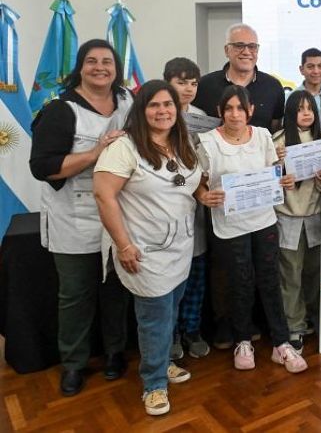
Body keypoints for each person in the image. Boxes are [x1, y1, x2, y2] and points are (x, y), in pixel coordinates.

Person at [29, 39, 132, 397]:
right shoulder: (60, 110)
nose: (100, 67)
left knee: (117, 290)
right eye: (92, 61)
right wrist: (94, 152)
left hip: (118, 213)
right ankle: (73, 363)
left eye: (107, 61)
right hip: (74, 218)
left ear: (117, 67)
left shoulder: (127, 103)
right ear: (80, 67)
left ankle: (116, 352)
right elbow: (43, 168)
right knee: (76, 294)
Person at [94, 80, 201, 416]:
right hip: (144, 250)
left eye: (168, 105)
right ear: (141, 110)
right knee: (154, 317)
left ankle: (163, 362)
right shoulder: (124, 146)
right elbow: (103, 194)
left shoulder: (181, 143)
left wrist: (204, 194)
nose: (162, 111)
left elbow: (186, 184)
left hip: (181, 246)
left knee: (170, 310)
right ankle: (153, 384)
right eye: (154, 105)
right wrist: (123, 245)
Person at [195, 86, 308, 373]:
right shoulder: (207, 142)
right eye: (229, 108)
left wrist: (284, 181)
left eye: (240, 108)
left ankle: (281, 344)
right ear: (220, 111)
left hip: (263, 219)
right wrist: (202, 195)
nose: (235, 114)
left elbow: (274, 171)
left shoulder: (262, 136)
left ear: (250, 111)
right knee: (240, 282)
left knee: (270, 280)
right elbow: (192, 180)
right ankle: (242, 340)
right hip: (229, 224)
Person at [273, 91, 321, 353]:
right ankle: (294, 326)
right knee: (290, 275)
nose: (306, 113)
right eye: (300, 109)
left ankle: (315, 320)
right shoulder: (278, 142)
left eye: (310, 109)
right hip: (288, 217)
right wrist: (279, 173)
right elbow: (267, 183)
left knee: (314, 273)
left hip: (315, 216)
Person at [162, 58, 211, 360]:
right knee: (170, 277)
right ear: (167, 81)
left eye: (193, 83)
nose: (188, 88)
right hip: (165, 208)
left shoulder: (202, 117)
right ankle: (171, 334)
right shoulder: (154, 116)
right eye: (181, 82)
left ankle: (191, 329)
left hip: (198, 206)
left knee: (196, 272)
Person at [194, 23, 285, 133]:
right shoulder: (205, 85)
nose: (246, 52)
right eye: (239, 46)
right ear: (227, 50)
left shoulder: (273, 86)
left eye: (252, 46)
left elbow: (275, 129)